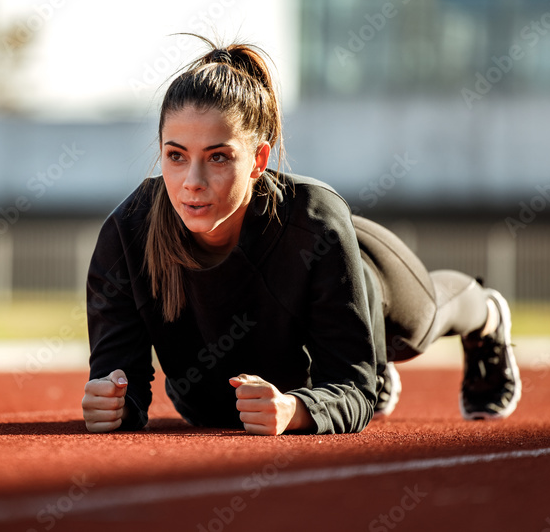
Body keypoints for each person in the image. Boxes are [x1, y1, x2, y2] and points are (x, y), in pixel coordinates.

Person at [81, 37, 521, 435]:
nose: (192, 181)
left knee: (417, 325)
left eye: (218, 157)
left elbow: (352, 389)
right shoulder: (126, 234)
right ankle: (362, 367)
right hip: (247, 378)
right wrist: (112, 401)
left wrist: (297, 410)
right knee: (213, 408)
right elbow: (120, 381)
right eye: (175, 156)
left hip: (366, 277)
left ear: (258, 160)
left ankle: (485, 314)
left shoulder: (314, 222)